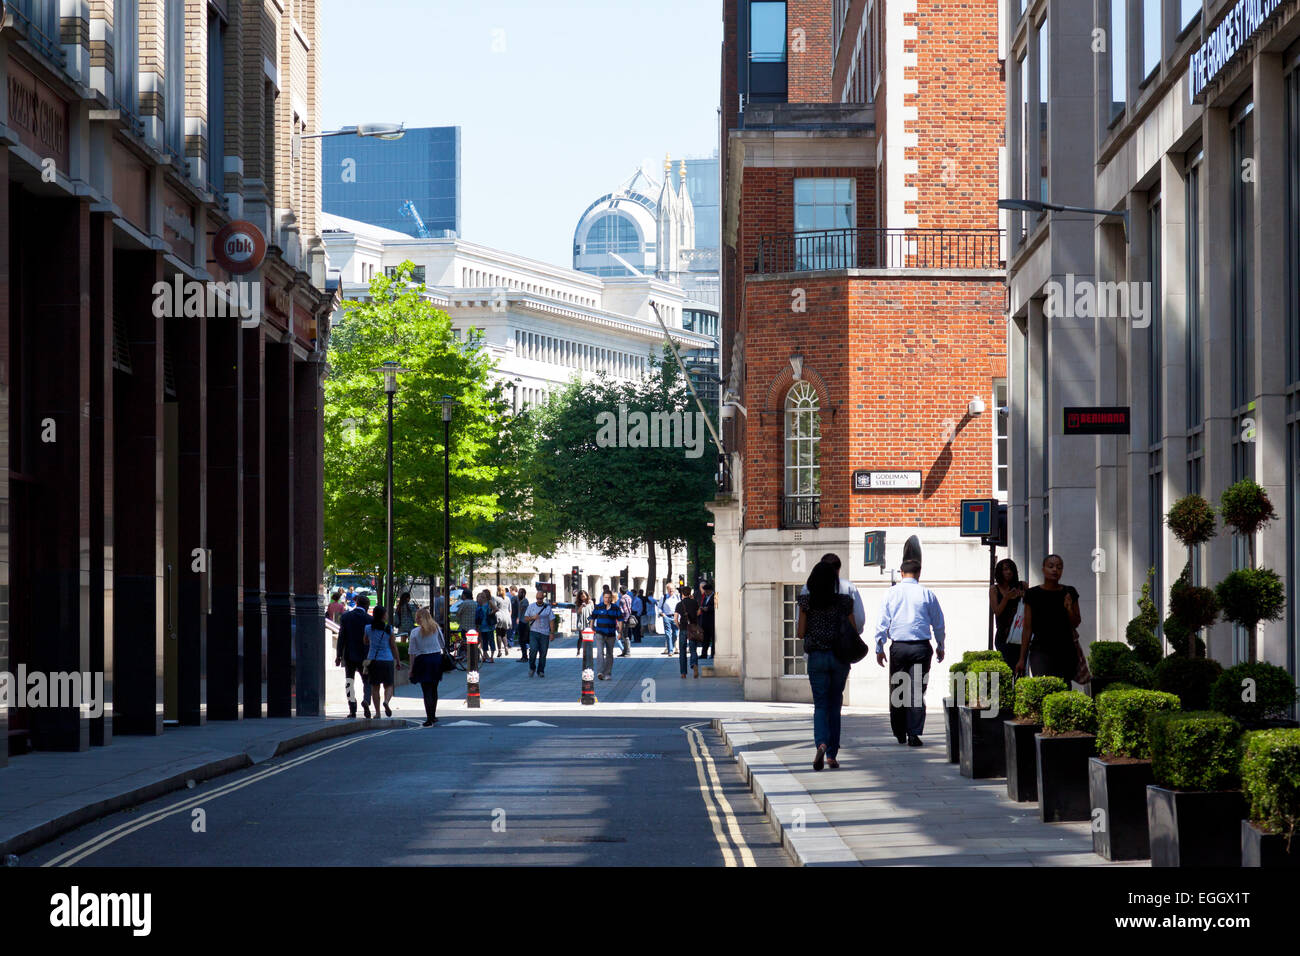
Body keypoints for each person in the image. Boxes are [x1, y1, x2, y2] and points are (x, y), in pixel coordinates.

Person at [874, 537, 946, 746]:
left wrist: (879, 647)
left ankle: (899, 732)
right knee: (916, 691)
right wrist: (940, 645)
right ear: (919, 573)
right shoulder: (927, 594)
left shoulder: (891, 593)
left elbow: (881, 623)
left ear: (901, 572)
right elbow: (938, 623)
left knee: (897, 690)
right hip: (921, 647)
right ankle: (914, 732)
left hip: (899, 647)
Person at [798, 561, 856, 770]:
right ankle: (831, 754)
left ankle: (821, 743)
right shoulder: (844, 601)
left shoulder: (806, 601)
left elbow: (800, 632)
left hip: (817, 657)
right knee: (835, 705)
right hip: (839, 657)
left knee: (820, 705)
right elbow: (853, 630)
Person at [1015, 554, 1082, 685]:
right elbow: (1027, 628)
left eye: (1059, 567)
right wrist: (1022, 658)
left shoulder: (1069, 592)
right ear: (1043, 569)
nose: (1055, 570)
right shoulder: (1032, 594)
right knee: (1043, 687)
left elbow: (1076, 622)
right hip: (1040, 651)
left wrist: (1069, 608)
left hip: (1065, 651)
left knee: (1063, 690)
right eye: (1051, 566)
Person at [335, 594, 374, 718]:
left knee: (349, 682)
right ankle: (366, 700)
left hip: (349, 655)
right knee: (367, 681)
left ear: (356, 604)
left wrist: (339, 655)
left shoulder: (346, 617)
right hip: (365, 656)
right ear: (367, 606)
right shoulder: (370, 619)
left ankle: (352, 709)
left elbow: (341, 638)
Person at [408, 607, 446, 727]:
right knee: (434, 689)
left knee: (426, 690)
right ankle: (433, 715)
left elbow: (412, 652)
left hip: (422, 660)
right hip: (435, 659)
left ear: (418, 619)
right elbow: (443, 644)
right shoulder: (436, 629)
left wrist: (411, 668)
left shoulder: (415, 632)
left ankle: (429, 717)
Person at [364, 604, 403, 718]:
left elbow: (365, 641)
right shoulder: (388, 629)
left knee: (375, 687)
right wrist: (398, 661)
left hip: (373, 660)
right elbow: (393, 646)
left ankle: (377, 713)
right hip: (387, 660)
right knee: (389, 685)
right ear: (383, 616)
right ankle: (386, 701)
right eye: (385, 614)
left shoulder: (368, 628)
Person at [991, 558, 1026, 671]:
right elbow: (997, 611)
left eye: (1011, 569)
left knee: (1020, 670)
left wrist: (1024, 596)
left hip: (1020, 633)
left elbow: (1030, 608)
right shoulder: (994, 589)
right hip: (1003, 635)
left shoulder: (1022, 585)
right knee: (1007, 668)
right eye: (1005, 569)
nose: (1009, 572)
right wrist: (1007, 597)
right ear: (1000, 572)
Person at [523, 590, 555, 677]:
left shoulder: (547, 607)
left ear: (543, 598)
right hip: (534, 632)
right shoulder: (531, 606)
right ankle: (532, 667)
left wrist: (552, 633)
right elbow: (525, 618)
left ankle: (541, 670)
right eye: (537, 598)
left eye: (540, 598)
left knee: (543, 653)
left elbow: (551, 620)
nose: (539, 600)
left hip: (545, 633)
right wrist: (532, 617)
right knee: (533, 651)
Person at [591, 590, 622, 680]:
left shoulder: (615, 608)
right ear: (603, 597)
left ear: (611, 598)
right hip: (599, 633)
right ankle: (600, 672)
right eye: (605, 597)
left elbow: (620, 620)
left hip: (611, 634)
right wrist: (591, 629)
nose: (607, 599)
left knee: (609, 654)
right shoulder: (598, 607)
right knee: (600, 653)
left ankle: (607, 673)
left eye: (609, 597)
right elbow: (592, 618)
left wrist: (620, 632)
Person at [675, 585, 702, 678]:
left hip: (683, 628)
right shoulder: (694, 602)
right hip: (693, 628)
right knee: (693, 648)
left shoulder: (679, 604)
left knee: (682, 650)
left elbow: (675, 619)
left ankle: (683, 673)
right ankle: (694, 664)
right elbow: (699, 613)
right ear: (690, 593)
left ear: (682, 593)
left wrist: (679, 626)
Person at [474, 589, 497, 662]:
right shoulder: (479, 603)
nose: (482, 595)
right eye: (481, 595)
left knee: (491, 641)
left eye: (483, 594)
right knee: (484, 641)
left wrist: (490, 613)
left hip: (489, 625)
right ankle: (484, 655)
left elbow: (496, 609)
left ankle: (492, 657)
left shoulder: (489, 602)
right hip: (482, 626)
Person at [659, 587, 679, 655]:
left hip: (675, 616)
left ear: (674, 590)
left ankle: (671, 646)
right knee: (668, 634)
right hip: (666, 616)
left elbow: (680, 606)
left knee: (675, 634)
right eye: (669, 589)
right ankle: (670, 650)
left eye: (672, 589)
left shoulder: (677, 597)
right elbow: (659, 607)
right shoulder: (663, 597)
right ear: (667, 589)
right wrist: (662, 614)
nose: (671, 590)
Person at [699, 582, 716, 660]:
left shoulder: (715, 596)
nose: (705, 593)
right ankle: (704, 654)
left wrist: (708, 608)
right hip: (705, 621)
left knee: (713, 638)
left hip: (712, 621)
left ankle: (713, 654)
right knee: (705, 639)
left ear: (710, 590)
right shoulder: (705, 597)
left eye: (706, 591)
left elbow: (716, 606)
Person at [494, 586, 513, 655]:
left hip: (499, 616)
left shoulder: (496, 598)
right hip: (507, 617)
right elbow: (510, 609)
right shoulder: (508, 598)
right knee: (504, 634)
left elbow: (495, 608)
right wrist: (508, 617)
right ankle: (506, 647)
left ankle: (499, 651)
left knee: (498, 634)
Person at [573, 590, 593, 656]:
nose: (583, 598)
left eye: (584, 596)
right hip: (581, 621)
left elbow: (593, 612)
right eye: (582, 597)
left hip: (588, 621)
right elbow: (578, 612)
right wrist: (581, 606)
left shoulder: (590, 602)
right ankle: (578, 651)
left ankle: (587, 651)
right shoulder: (577, 603)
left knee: (588, 637)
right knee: (581, 637)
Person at [617, 587, 633, 656]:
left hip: (623, 619)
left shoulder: (622, 599)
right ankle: (625, 651)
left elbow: (621, 610)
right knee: (625, 634)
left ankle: (627, 651)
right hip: (629, 617)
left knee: (624, 635)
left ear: (620, 591)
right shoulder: (629, 598)